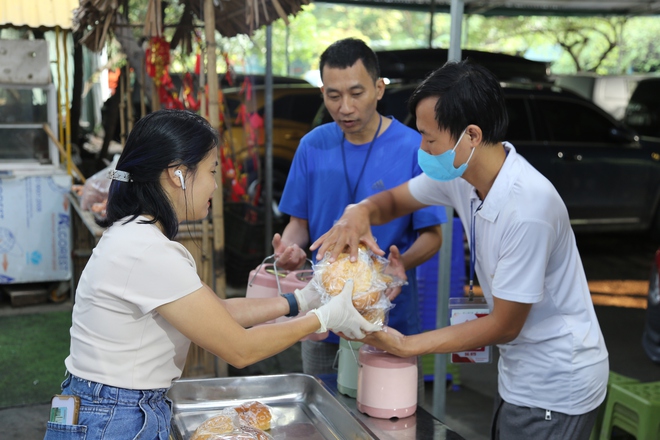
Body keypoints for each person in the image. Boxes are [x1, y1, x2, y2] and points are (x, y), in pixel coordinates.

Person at [312, 60, 609, 440]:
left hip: (557, 381)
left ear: (470, 136)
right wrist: (359, 212)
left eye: (430, 138)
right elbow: (394, 200)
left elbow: (505, 323)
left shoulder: (529, 208)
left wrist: (405, 345)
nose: (421, 147)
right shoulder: (461, 175)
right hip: (519, 373)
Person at [44, 109, 379, 439]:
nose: (215, 186)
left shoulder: (138, 236)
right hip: (116, 416)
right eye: (211, 171)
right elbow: (240, 350)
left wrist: (300, 300)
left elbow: (216, 311)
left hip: (108, 407)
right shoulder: (147, 250)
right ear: (177, 175)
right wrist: (325, 317)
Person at [272, 38, 447, 395]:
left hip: (388, 319)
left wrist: (392, 268)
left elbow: (433, 235)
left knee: (389, 416)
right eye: (333, 96)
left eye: (356, 93)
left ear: (379, 89)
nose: (345, 107)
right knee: (323, 410)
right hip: (322, 318)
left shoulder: (414, 147)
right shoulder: (312, 145)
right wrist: (290, 250)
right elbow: (298, 225)